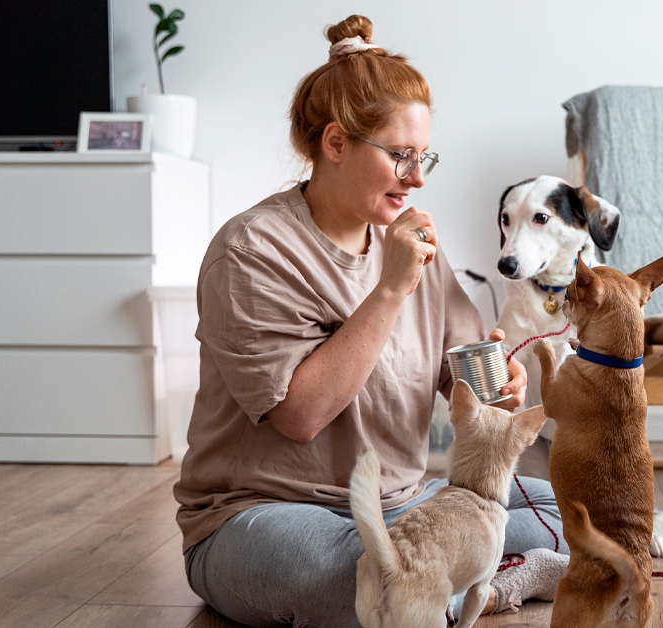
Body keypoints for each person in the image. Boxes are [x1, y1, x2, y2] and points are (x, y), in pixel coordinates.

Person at [173, 15, 568, 628]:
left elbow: (463, 373)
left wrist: (500, 382)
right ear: (335, 143)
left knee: (574, 511)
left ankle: (471, 584)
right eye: (401, 156)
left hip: (408, 510)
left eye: (424, 156)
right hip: (263, 514)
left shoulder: (411, 242)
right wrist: (390, 289)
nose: (417, 178)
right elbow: (299, 416)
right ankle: (486, 584)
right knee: (360, 580)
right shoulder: (250, 251)